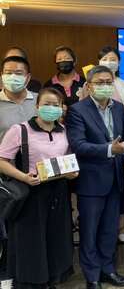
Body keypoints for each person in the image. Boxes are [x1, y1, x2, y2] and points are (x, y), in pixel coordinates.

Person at [0, 87, 77, 289]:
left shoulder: (64, 131)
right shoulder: (20, 130)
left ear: (62, 108)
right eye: (46, 104)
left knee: (55, 238)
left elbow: (67, 160)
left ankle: (52, 279)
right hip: (31, 192)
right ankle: (31, 282)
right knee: (31, 241)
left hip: (58, 192)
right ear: (37, 106)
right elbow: (2, 161)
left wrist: (71, 173)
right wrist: (23, 177)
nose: (51, 108)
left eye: (56, 105)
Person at [66, 66, 124, 289]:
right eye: (99, 82)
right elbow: (79, 145)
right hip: (91, 181)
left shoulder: (119, 108)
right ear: (89, 85)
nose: (104, 86)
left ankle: (108, 270)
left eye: (108, 82)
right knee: (89, 231)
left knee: (109, 229)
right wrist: (110, 150)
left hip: (116, 179)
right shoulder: (77, 110)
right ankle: (92, 276)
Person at [0, 56, 38, 289]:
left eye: (19, 72)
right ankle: (5, 271)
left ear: (28, 77)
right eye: (8, 71)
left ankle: (29, 270)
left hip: (36, 175)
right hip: (5, 173)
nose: (13, 76)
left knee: (29, 226)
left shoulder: (38, 102)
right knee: (5, 226)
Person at [96, 45, 124, 243]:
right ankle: (101, 225)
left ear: (119, 63)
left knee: (120, 189)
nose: (109, 62)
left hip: (120, 146)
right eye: (105, 58)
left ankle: (121, 225)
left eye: (113, 59)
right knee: (97, 188)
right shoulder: (90, 86)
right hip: (96, 147)